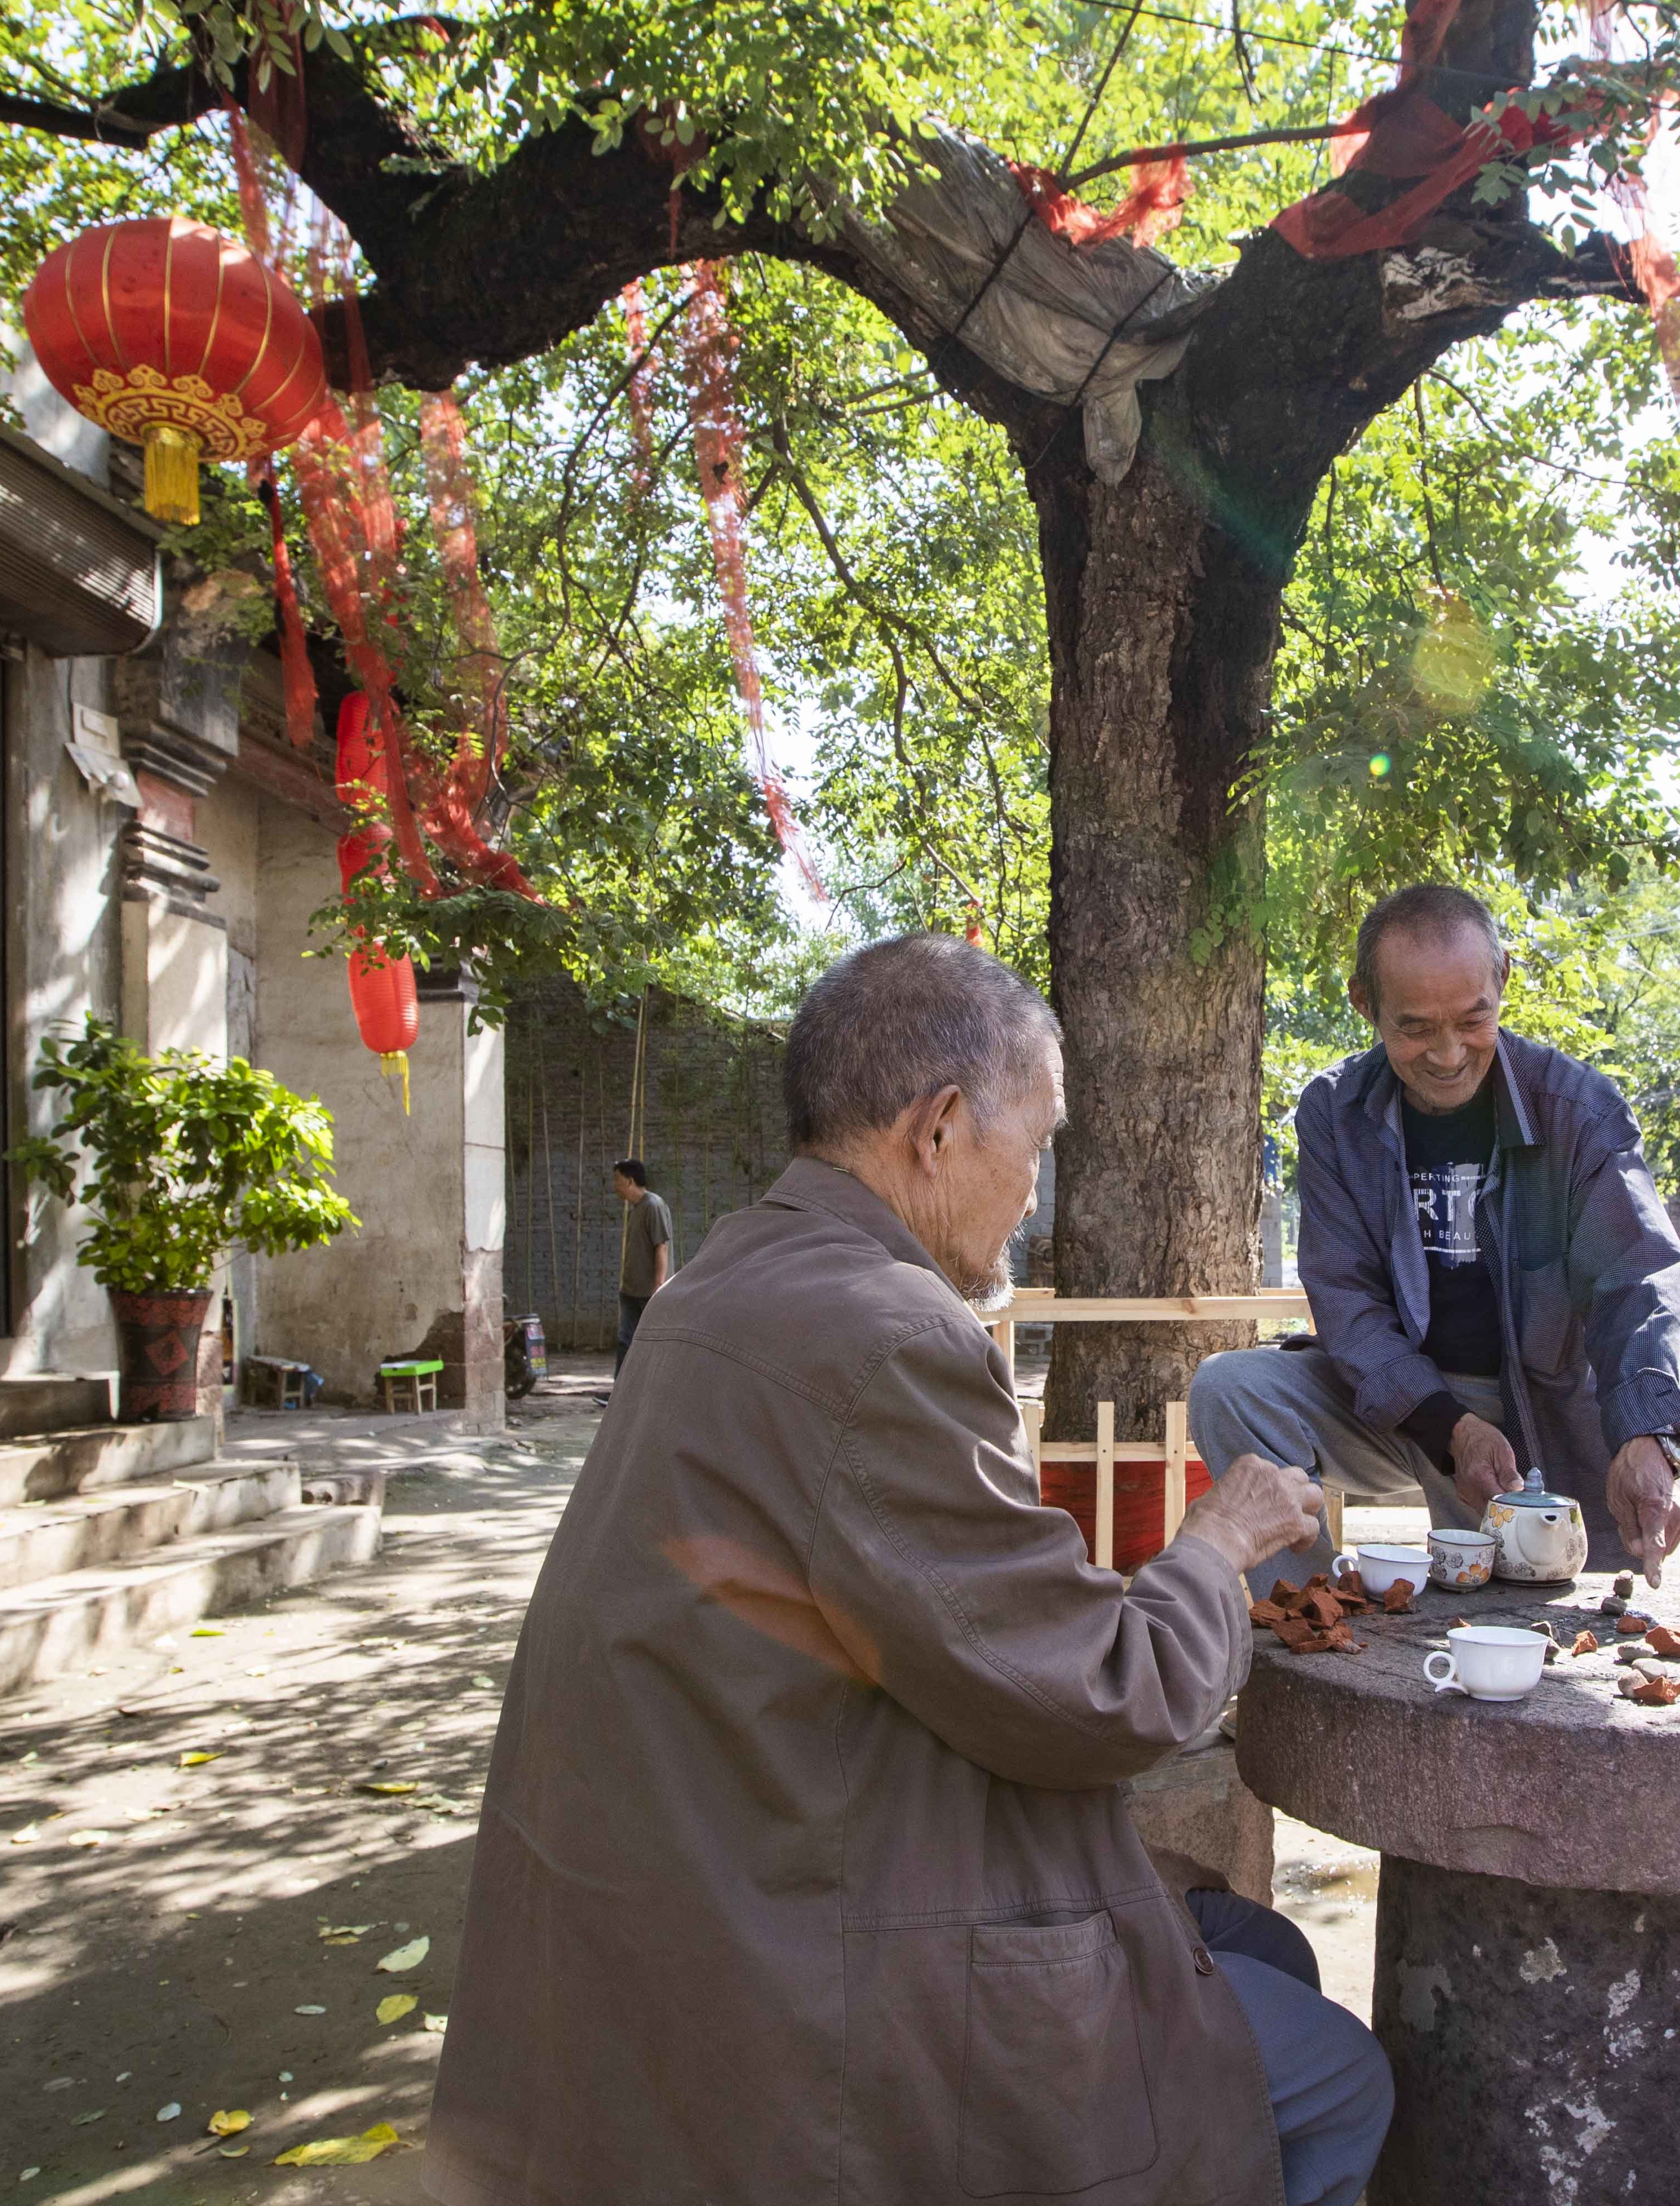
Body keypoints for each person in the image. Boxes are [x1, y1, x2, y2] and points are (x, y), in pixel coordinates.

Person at [428, 933, 1392, 2206]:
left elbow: (931, 1615)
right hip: (792, 1975)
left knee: (1251, 1940)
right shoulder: (881, 1333)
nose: (1033, 1197)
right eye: (1034, 1147)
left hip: (701, 1898)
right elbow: (1106, 1702)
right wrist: (1215, 1547)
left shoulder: (727, 1277)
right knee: (1338, 2078)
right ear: (937, 1130)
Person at [1189, 882, 1680, 1594]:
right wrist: (1450, 1427)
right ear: (1364, 1003)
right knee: (1230, 1388)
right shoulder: (1334, 1112)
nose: (1450, 1054)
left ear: (1504, 980)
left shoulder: (1578, 1109)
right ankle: (1311, 1610)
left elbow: (1637, 1278)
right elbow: (1347, 1300)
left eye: (1472, 1019)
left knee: (1550, 1627)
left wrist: (1652, 1433)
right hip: (1398, 1399)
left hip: (1539, 1407)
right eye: (1416, 1028)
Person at [611, 1156, 670, 1350]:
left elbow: (661, 1246)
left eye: (617, 1180)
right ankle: (621, 1382)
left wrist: (659, 1288)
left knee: (649, 1346)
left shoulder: (653, 1206)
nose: (615, 1186)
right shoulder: (635, 1210)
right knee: (626, 1342)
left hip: (648, 1294)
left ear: (630, 1181)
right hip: (630, 1291)